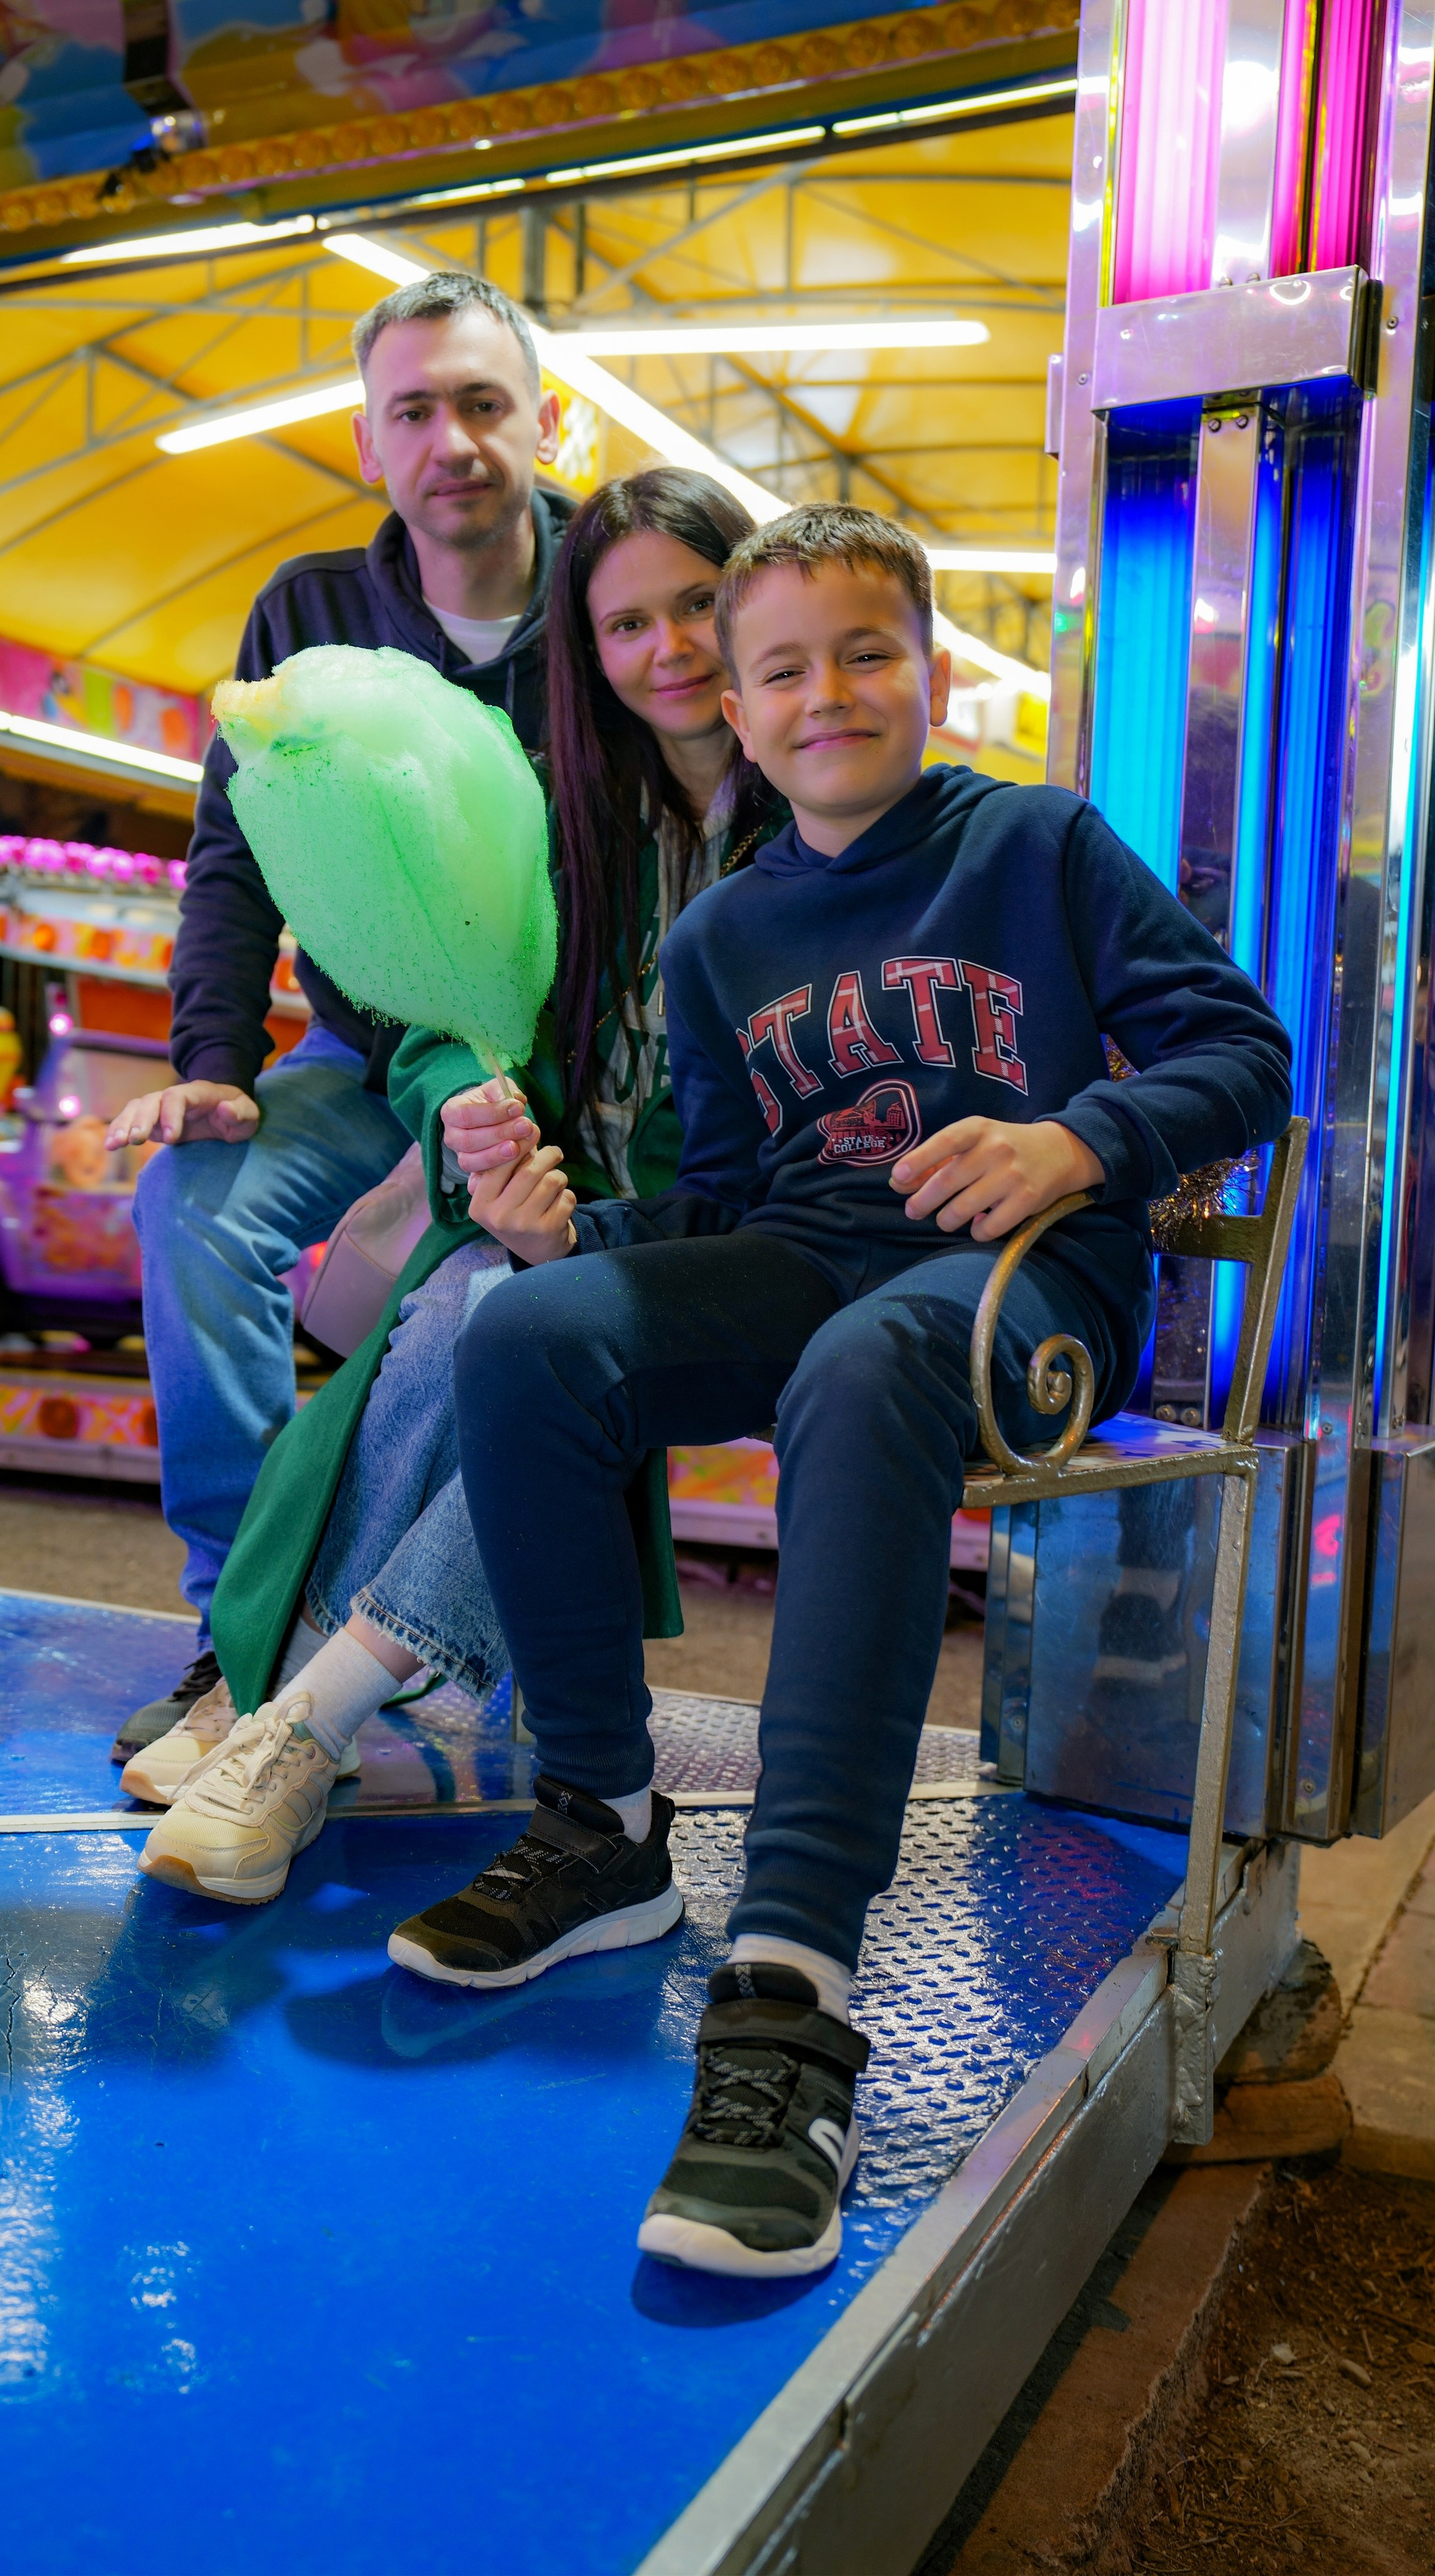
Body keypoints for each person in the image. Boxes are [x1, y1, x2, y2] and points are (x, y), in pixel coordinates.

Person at [384, 502, 1295, 2279]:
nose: (829, 694)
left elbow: (1239, 1050)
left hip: (1023, 1297)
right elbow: (724, 1204)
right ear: (729, 700)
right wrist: (561, 1222)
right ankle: (605, 1826)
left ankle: (791, 1988)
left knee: (867, 1360)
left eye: (867, 652)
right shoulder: (719, 941)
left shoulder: (1034, 845)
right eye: (782, 668)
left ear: (934, 670)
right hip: (814, 1263)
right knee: (528, 1328)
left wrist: (1075, 1140)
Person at [122, 468, 788, 1899]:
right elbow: (436, 1024)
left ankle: (295, 1718)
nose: (668, 648)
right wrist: (474, 1124)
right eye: (625, 626)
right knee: (452, 1316)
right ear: (584, 653)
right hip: (550, 1229)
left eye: (698, 606)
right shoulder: (563, 812)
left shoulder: (812, 819)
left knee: (518, 1339)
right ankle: (273, 1689)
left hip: (715, 1248)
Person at [103, 270, 570, 1758]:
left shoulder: (613, 614)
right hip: (350, 1056)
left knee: (472, 1316)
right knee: (192, 1206)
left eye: (485, 405)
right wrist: (215, 1066)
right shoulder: (306, 615)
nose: (453, 443)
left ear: (546, 424)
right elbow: (233, 861)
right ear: (370, 443)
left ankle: (409, 1639)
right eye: (414, 412)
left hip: (535, 1082)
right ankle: (234, 1634)